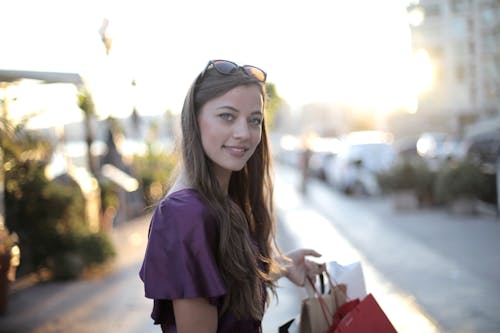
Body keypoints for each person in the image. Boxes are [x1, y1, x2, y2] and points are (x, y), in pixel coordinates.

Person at [139, 60, 325, 333]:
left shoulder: (218, 201)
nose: (244, 134)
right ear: (194, 120)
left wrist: (279, 266)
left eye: (254, 120)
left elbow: (223, 286)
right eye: (227, 116)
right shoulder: (185, 214)